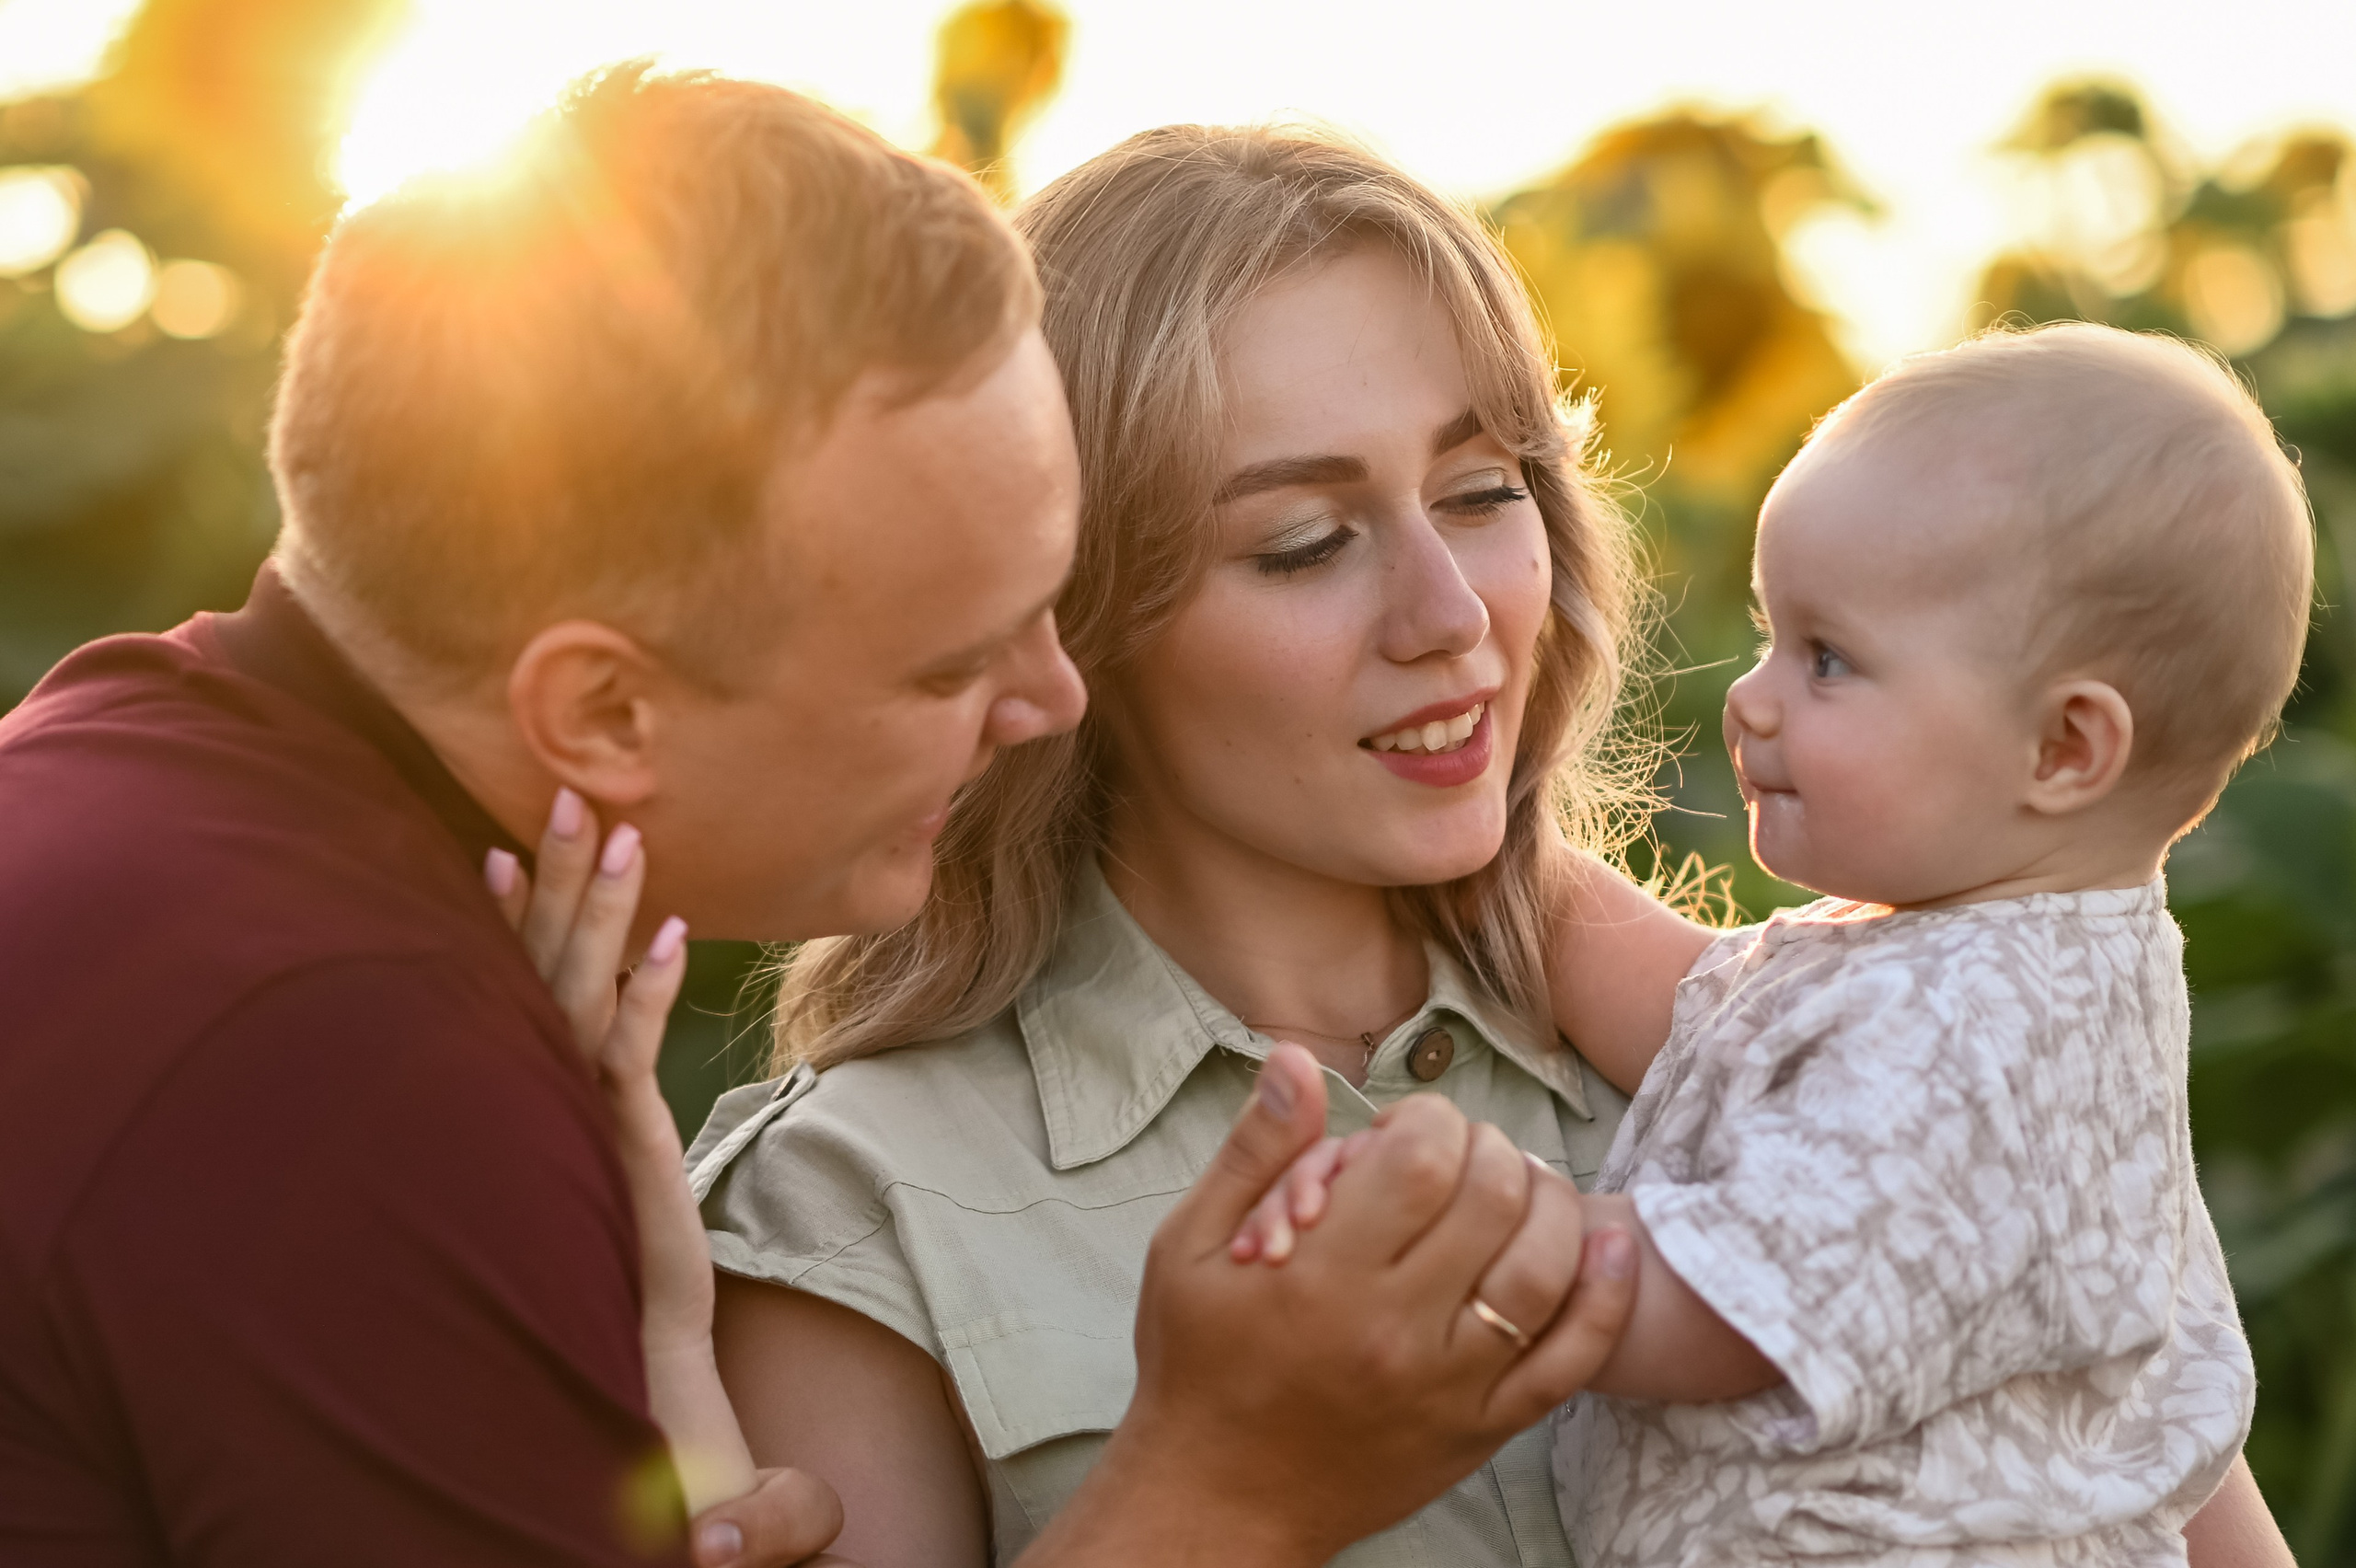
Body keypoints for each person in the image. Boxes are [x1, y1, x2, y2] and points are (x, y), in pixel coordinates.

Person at [0, 69, 1634, 1568]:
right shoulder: (349, 1064)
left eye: (1488, 489)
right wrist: (1225, 1492)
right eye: (951, 650)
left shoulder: (149, 817)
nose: (1041, 694)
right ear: (603, 714)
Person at [687, 124, 1655, 1568]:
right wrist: (1213, 1493)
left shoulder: (1753, 1062)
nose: (1450, 613)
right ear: (1069, 625)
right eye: (1304, 543)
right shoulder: (852, 1204)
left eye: (1480, 490)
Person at [1241, 324, 2308, 1565]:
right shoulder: (1967, 960)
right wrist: (1479, 842)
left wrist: (1484, 1225)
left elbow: (1724, 1311)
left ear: (2065, 749)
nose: (1751, 699)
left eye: (1829, 660)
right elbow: (1693, 1009)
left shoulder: (1991, 1039)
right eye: (1769, 637)